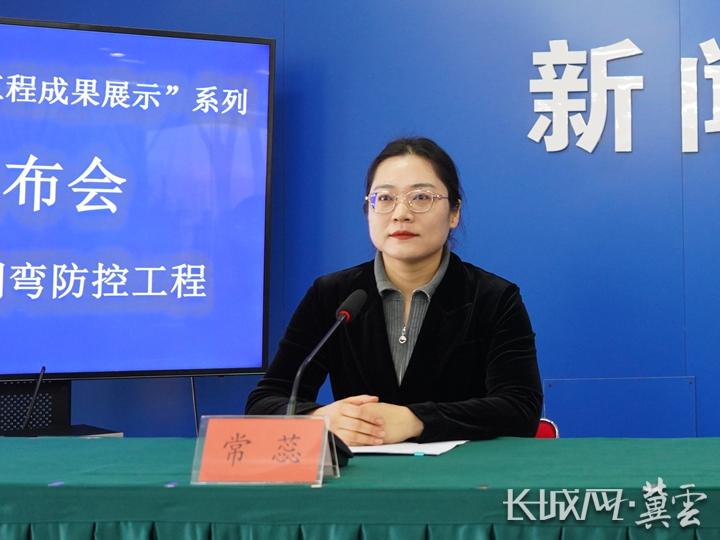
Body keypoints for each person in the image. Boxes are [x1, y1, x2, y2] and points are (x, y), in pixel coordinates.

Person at [246, 137, 542, 445]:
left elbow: (520, 409)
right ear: (368, 210)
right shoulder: (332, 295)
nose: (401, 213)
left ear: (454, 212)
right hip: (360, 473)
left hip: (462, 471)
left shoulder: (493, 298)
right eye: (385, 198)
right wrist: (319, 418)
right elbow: (264, 401)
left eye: (421, 197)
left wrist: (416, 420)